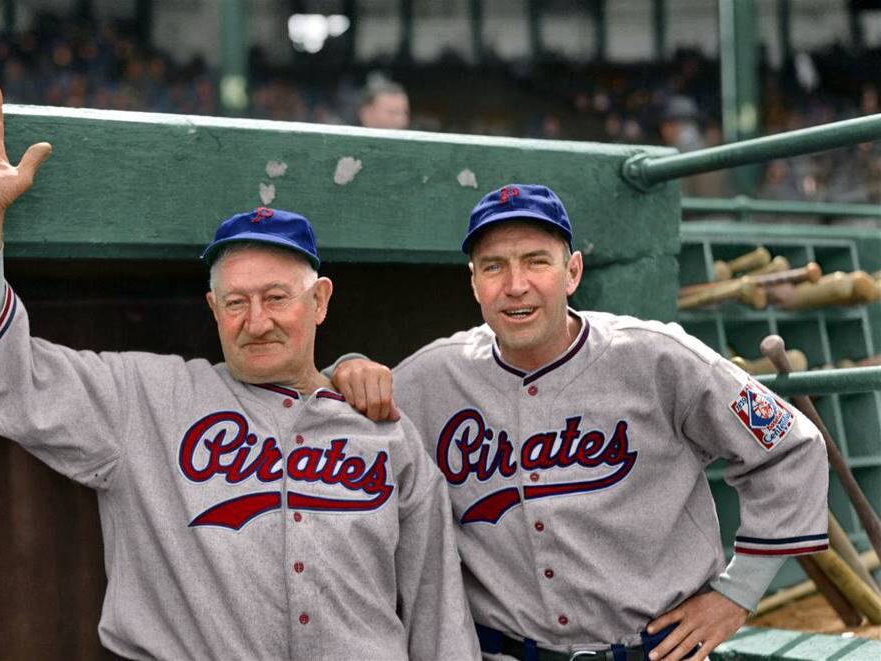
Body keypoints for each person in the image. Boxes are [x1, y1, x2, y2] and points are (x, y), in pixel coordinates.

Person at [0, 74, 480, 661]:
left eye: (277, 298)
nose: (256, 320)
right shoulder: (147, 400)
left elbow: (438, 614)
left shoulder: (384, 429)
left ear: (319, 301)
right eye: (236, 303)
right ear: (213, 310)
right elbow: (3, 376)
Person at [333, 184, 829, 661]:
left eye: (536, 262)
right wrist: (346, 368)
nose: (516, 285)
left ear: (571, 272)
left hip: (653, 650)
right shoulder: (432, 376)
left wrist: (736, 595)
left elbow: (792, 446)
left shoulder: (658, 356)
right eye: (494, 267)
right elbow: (330, 422)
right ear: (474, 282)